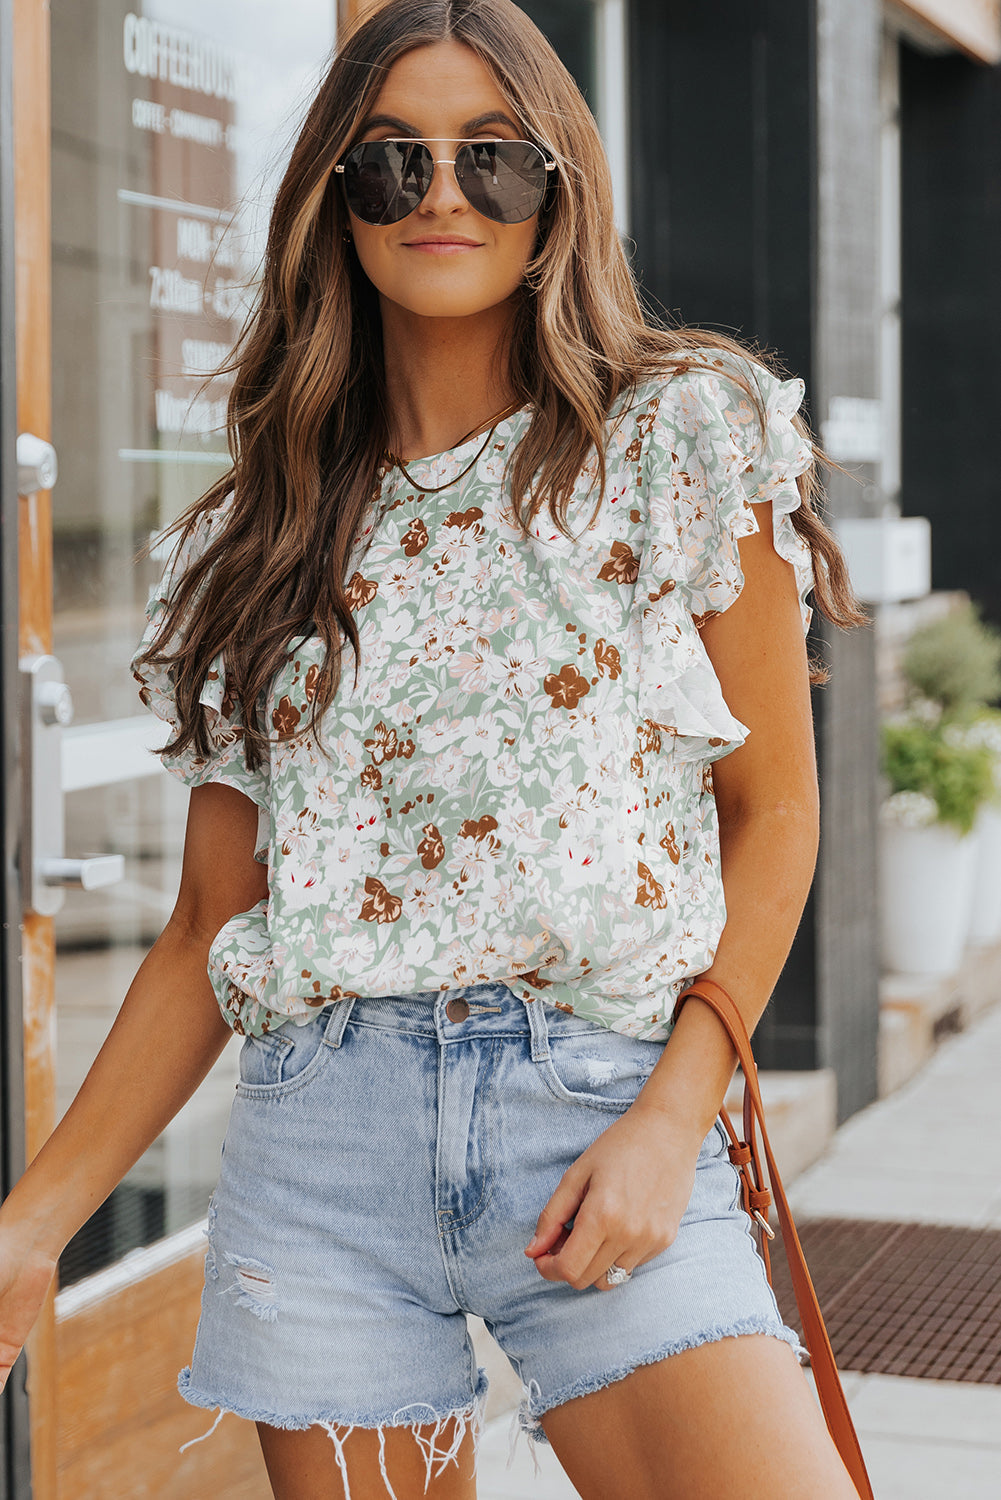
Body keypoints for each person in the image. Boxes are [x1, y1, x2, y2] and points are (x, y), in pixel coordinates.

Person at [0, 2, 869, 1495]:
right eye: (390, 164)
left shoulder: (679, 436)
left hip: (597, 1102)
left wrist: (675, 1123)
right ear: (335, 202)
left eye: (494, 160)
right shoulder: (249, 537)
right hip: (321, 1153)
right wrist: (29, 1232)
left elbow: (774, 812)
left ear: (561, 190)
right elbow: (214, 924)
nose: (443, 198)